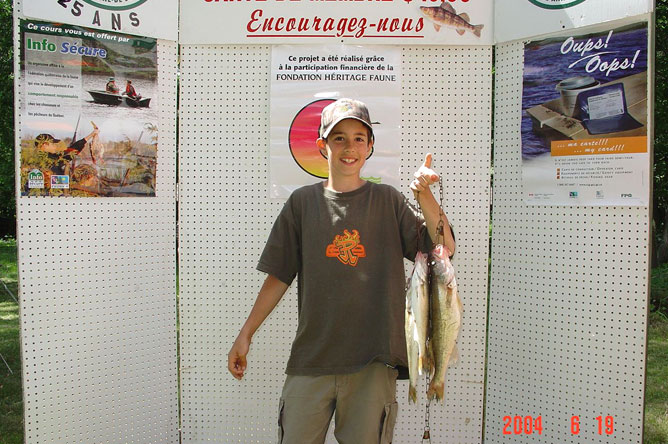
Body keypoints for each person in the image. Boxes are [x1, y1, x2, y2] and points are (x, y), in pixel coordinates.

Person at [227, 98, 455, 444]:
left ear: (370, 147)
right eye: (339, 138)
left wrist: (423, 194)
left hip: (374, 362)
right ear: (322, 146)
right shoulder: (301, 204)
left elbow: (443, 248)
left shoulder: (389, 201)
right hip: (312, 359)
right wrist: (246, 333)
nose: (350, 147)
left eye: (359, 138)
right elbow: (278, 276)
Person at [34, 122, 100, 176]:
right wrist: (92, 134)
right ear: (44, 145)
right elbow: (72, 150)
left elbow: (72, 149)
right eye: (53, 144)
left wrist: (92, 135)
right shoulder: (47, 158)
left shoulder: (55, 155)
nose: (56, 146)